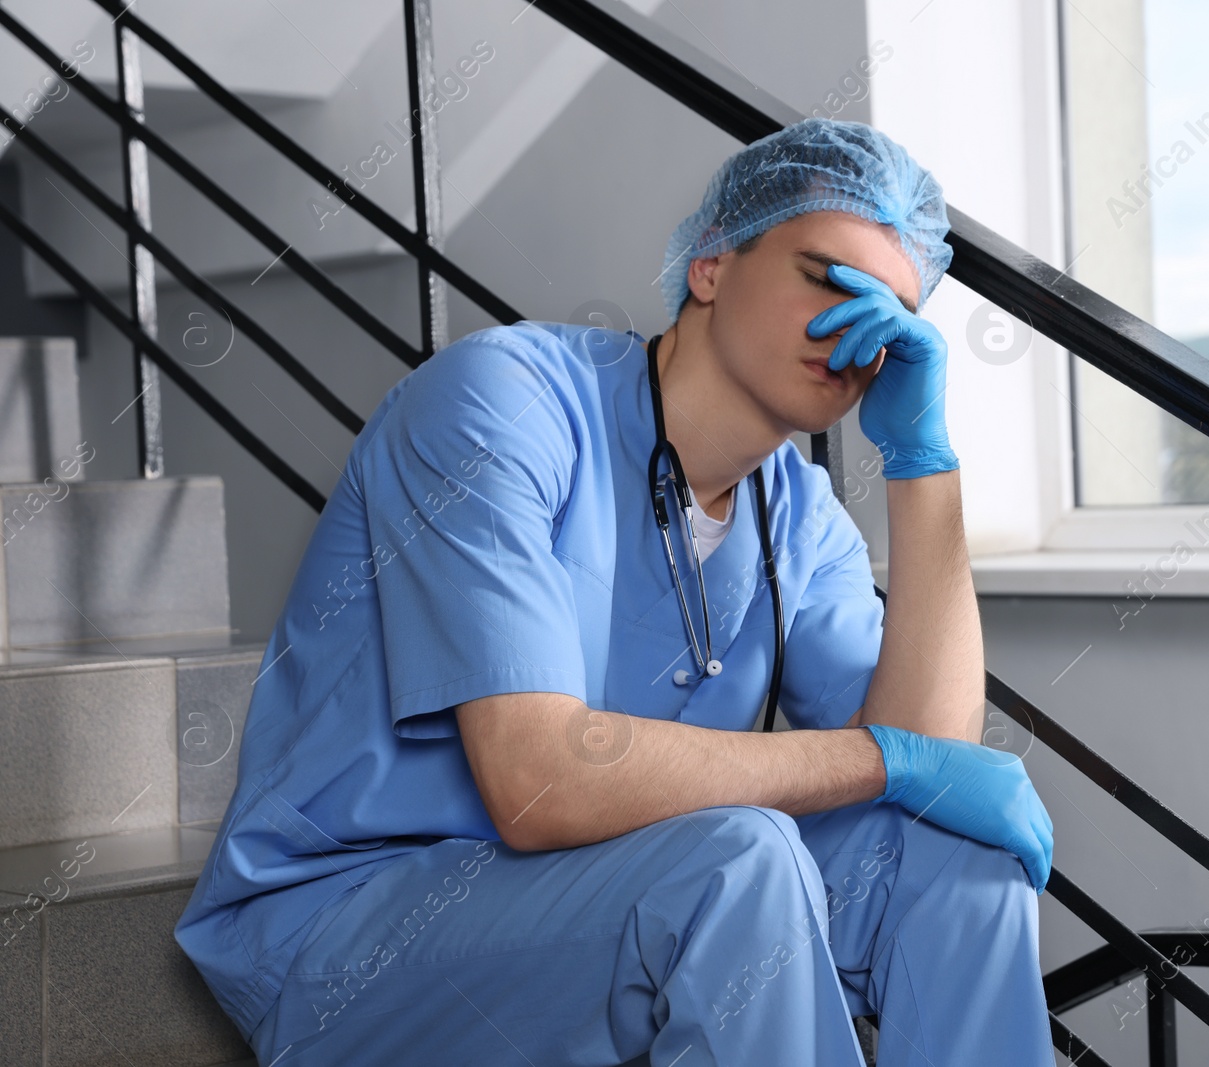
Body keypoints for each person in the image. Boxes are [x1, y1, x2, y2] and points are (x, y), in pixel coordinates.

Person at [174, 116, 1056, 1066]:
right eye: (824, 277)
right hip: (348, 933)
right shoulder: (504, 402)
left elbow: (929, 774)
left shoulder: (797, 515)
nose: (852, 330)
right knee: (742, 859)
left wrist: (923, 460)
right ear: (711, 265)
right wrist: (885, 763)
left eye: (889, 314)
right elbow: (537, 780)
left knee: (954, 860)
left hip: (596, 900)